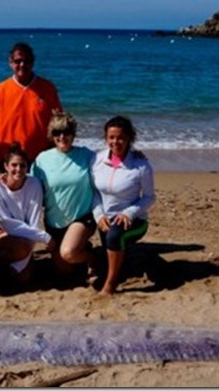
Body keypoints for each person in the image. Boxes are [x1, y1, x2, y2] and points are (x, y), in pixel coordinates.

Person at [91, 116, 155, 295]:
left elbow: (149, 197)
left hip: (134, 221)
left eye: (120, 137)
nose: (115, 142)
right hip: (105, 219)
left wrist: (129, 213)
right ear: (106, 138)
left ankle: (110, 286)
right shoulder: (96, 159)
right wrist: (98, 216)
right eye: (111, 137)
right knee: (110, 251)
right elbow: (94, 192)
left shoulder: (141, 165)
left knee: (114, 238)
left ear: (129, 138)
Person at [31, 111, 96, 276]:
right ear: (51, 135)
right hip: (54, 222)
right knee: (64, 269)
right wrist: (2, 180)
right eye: (56, 132)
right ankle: (83, 247)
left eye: (66, 132)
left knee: (68, 253)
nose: (62, 137)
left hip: (82, 217)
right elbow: (29, 187)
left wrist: (134, 156)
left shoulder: (87, 155)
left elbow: (112, 161)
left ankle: (95, 258)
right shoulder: (42, 159)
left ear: (73, 134)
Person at [0, 42, 62, 176]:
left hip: (40, 161)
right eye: (18, 61)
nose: (22, 65)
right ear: (10, 62)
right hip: (8, 162)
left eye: (27, 61)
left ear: (33, 62)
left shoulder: (47, 89)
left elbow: (58, 126)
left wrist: (58, 154)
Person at [0, 142, 55, 285]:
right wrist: (45, 238)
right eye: (14, 165)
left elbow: (34, 221)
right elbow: (6, 223)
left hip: (25, 234)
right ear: (6, 166)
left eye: (22, 165)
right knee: (22, 248)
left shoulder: (34, 184)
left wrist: (20, 264)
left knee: (23, 278)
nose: (18, 169)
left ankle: (8, 262)